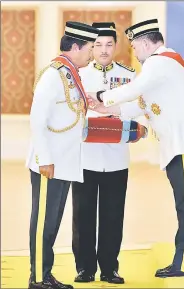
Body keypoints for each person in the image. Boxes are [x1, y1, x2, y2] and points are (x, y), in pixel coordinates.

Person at [87, 18, 184, 278]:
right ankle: (182, 260)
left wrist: (102, 96)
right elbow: (141, 104)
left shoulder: (160, 61)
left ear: (145, 43)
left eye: (134, 46)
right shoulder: (164, 64)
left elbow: (135, 89)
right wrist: (106, 109)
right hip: (181, 146)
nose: (134, 51)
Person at [71, 22, 148, 285]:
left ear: (116, 46)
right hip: (85, 156)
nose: (104, 50)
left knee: (113, 214)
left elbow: (140, 104)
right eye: (98, 45)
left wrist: (137, 125)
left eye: (109, 45)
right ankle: (84, 268)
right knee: (83, 214)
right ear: (91, 47)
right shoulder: (78, 75)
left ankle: (109, 268)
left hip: (116, 157)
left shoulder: (129, 75)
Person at [25, 21, 99, 289]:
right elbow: (37, 119)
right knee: (44, 221)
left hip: (64, 162)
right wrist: (44, 159)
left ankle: (45, 274)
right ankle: (38, 278)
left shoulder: (70, 73)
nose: (92, 53)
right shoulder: (53, 75)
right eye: (90, 48)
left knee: (52, 222)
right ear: (76, 47)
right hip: (50, 163)